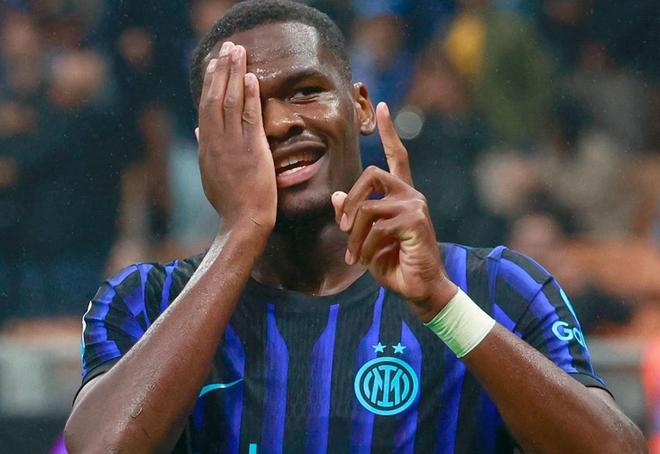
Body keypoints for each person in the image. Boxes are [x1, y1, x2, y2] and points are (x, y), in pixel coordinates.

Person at [64, 1, 644, 452]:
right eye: (245, 110)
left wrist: (443, 306)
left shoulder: (495, 288)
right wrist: (241, 230)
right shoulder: (145, 301)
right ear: (207, 145)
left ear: (361, 106)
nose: (280, 123)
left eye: (306, 91)